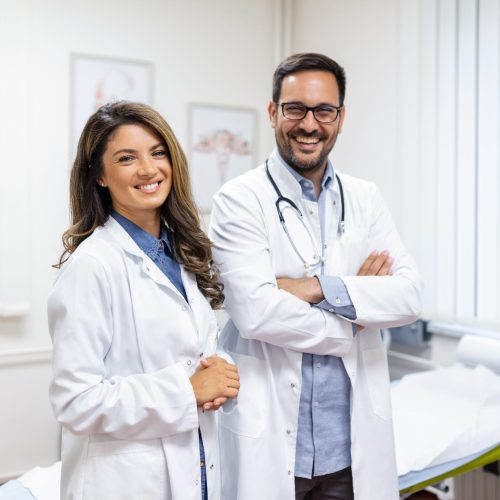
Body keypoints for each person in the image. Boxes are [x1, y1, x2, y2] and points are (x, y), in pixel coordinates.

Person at [209, 53, 422, 500]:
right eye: (295, 109)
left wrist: (316, 287)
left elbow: (408, 295)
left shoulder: (366, 198)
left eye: (324, 110)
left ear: (340, 118)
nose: (310, 124)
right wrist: (356, 313)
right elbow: (255, 314)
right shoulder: (239, 199)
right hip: (273, 446)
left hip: (349, 447)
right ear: (273, 112)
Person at [48, 101, 240, 500]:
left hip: (196, 468)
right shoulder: (92, 266)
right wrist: (188, 390)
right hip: (125, 483)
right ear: (99, 176)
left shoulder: (181, 252)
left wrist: (220, 371)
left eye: (157, 153)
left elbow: (188, 350)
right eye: (126, 158)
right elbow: (76, 401)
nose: (149, 170)